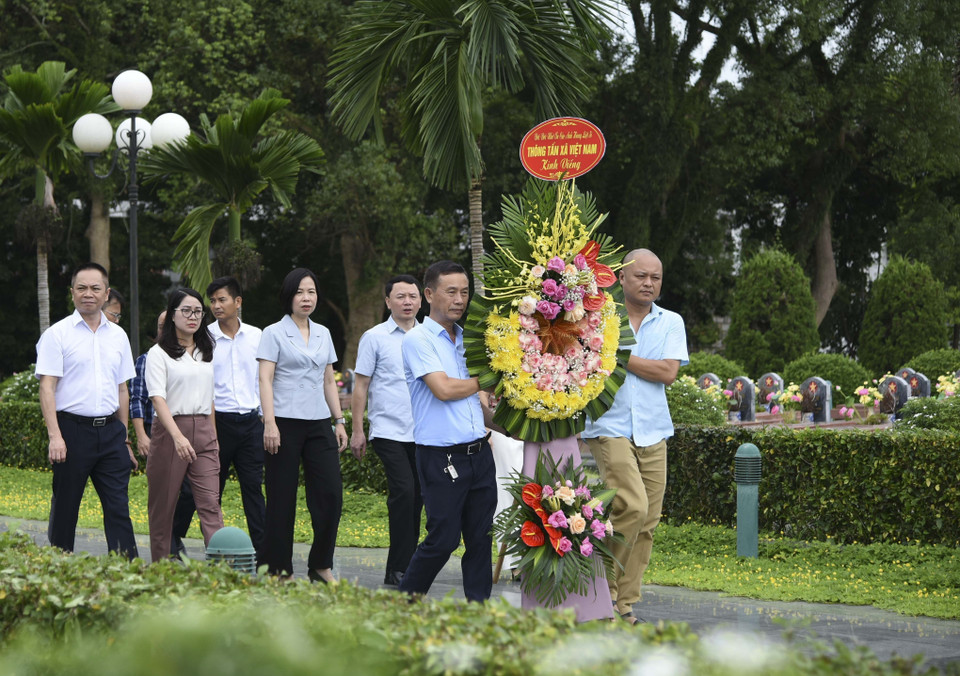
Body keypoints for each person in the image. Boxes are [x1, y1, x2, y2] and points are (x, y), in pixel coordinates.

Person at [583, 248, 689, 625]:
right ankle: (603, 593)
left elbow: (668, 372)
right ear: (621, 278)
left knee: (648, 522)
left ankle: (624, 602)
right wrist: (612, 353)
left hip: (654, 428)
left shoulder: (671, 322)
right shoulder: (600, 318)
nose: (648, 283)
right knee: (632, 505)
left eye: (655, 278)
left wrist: (618, 356)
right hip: (608, 425)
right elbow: (590, 360)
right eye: (641, 276)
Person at [397, 261, 498, 602]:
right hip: (442, 458)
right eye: (451, 291)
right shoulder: (417, 339)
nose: (460, 299)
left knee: (481, 537)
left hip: (480, 454)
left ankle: (478, 611)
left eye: (465, 292)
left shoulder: (467, 340)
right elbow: (443, 389)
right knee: (443, 538)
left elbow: (474, 400)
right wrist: (489, 379)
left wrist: (515, 428)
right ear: (429, 294)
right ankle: (406, 602)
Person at [35, 262, 138, 558]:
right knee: (66, 507)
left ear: (106, 294)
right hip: (71, 433)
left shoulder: (118, 336)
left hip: (111, 435)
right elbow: (47, 388)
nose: (88, 294)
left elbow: (122, 389)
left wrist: (125, 439)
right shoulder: (57, 335)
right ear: (72, 293)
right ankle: (59, 568)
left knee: (118, 508)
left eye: (95, 288)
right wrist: (55, 437)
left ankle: (127, 572)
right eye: (81, 288)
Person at [257, 268, 348, 581]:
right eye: (299, 292)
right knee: (281, 500)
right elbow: (265, 379)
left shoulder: (323, 332)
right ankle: (277, 569)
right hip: (283, 422)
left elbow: (327, 378)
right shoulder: (273, 333)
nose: (306, 298)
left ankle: (320, 565)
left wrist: (339, 420)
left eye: (311, 291)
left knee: (331, 496)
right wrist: (269, 423)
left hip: (319, 422)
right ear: (289, 296)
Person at [170, 277, 266, 560]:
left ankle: (263, 552)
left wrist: (263, 417)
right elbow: (201, 385)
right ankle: (173, 536)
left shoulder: (257, 336)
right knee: (201, 489)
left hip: (250, 423)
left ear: (238, 302)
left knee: (254, 490)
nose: (216, 306)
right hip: (216, 423)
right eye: (212, 301)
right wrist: (209, 430)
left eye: (222, 299)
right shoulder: (204, 337)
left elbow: (264, 379)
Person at [350, 274, 423, 587]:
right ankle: (397, 568)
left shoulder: (430, 335)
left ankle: (406, 567)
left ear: (422, 299)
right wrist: (357, 430)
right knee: (403, 493)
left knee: (418, 497)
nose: (407, 302)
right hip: (388, 430)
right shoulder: (375, 337)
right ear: (387, 301)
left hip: (424, 432)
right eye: (400, 296)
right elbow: (361, 385)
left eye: (412, 296)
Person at [145, 289, 224, 562]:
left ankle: (221, 568)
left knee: (210, 505)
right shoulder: (158, 354)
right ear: (173, 314)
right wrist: (178, 437)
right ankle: (161, 568)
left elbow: (210, 398)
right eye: (186, 311)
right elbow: (157, 399)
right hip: (170, 432)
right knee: (163, 506)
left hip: (204, 431)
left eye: (199, 312)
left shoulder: (206, 352)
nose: (193, 317)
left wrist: (212, 436)